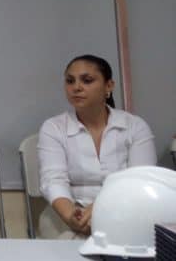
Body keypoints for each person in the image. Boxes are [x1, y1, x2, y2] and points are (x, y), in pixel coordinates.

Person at [37, 54, 156, 239]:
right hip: (68, 212)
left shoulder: (135, 126)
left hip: (124, 210)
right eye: (70, 81)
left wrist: (101, 209)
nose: (76, 87)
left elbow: (140, 181)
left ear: (109, 86)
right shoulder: (53, 128)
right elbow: (53, 181)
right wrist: (72, 217)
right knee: (66, 245)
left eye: (87, 80)